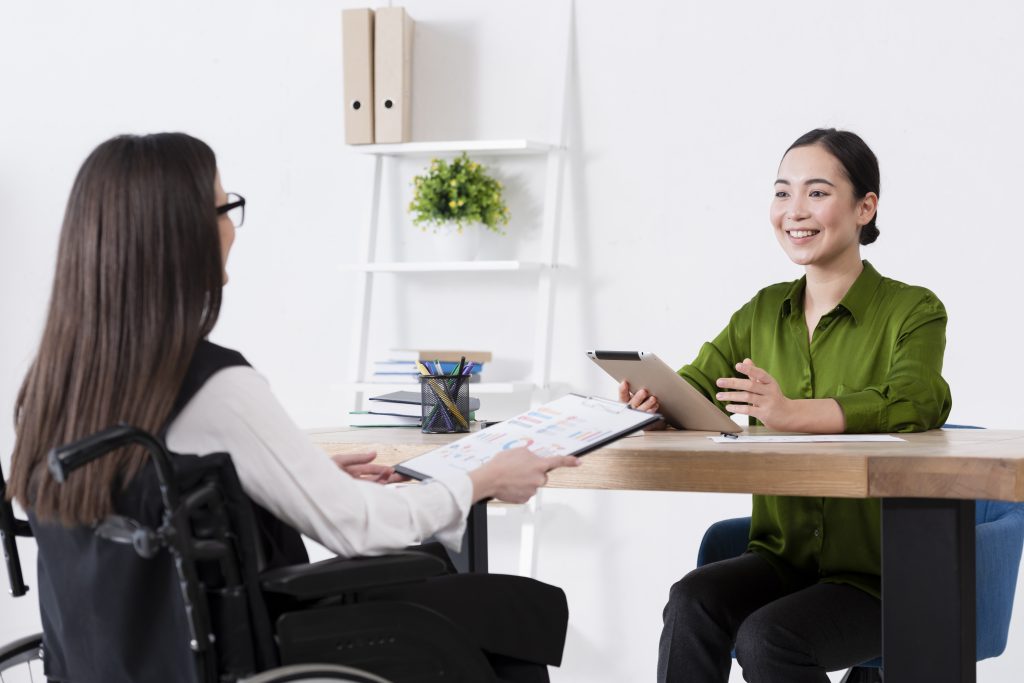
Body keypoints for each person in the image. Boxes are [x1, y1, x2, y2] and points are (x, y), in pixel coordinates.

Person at [6, 132, 578, 683]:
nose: (232, 227)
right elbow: (358, 527)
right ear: (181, 237)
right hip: (251, 648)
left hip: (118, 657)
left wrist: (282, 483)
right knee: (509, 618)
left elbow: (152, 502)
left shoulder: (57, 388)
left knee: (463, 592)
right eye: (224, 208)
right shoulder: (212, 383)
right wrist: (480, 480)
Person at [619, 128, 952, 683]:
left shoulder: (913, 309)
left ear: (865, 207)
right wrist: (653, 404)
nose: (794, 210)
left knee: (769, 637)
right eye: (782, 192)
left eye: (817, 192)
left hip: (882, 580)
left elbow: (916, 400)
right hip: (782, 562)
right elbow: (698, 388)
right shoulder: (762, 311)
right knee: (691, 601)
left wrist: (795, 412)